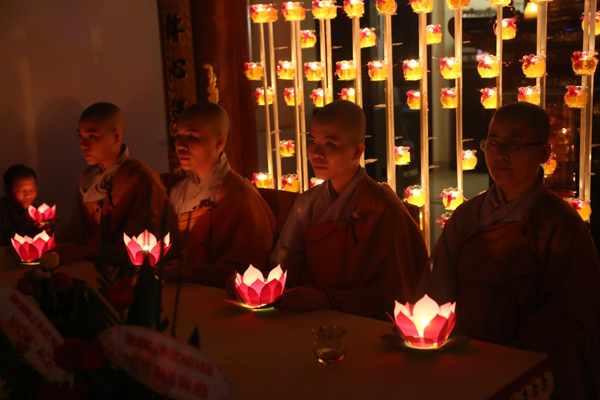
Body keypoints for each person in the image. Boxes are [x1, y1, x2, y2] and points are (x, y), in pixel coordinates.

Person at [429, 102, 600, 398]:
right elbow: (437, 287)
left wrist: (508, 355)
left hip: (528, 367)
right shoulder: (467, 215)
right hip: (461, 357)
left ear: (544, 153)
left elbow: (568, 313)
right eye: (493, 143)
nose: (500, 154)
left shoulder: (561, 224)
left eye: (515, 144)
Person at [269, 100, 429, 321]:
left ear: (357, 151)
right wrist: (249, 284)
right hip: (308, 318)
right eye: (312, 141)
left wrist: (328, 300)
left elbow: (397, 293)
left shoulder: (383, 208)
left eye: (330, 144)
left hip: (366, 325)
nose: (316, 153)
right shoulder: (305, 204)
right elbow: (282, 271)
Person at [164, 102, 276, 288]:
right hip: (181, 288)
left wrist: (193, 274)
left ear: (219, 142)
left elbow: (248, 266)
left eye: (192, 137)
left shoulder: (240, 195)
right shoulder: (178, 191)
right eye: (178, 136)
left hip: (221, 291)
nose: (181, 146)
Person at [55, 102, 176, 264]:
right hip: (92, 265)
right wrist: (52, 242)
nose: (83, 144)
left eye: (92, 136)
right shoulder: (87, 178)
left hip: (130, 270)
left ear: (116, 136)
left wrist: (87, 251)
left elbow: (145, 246)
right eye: (80, 136)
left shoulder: (141, 179)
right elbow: (79, 230)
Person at [0, 165, 43, 246]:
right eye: (22, 190)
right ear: (7, 190)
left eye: (32, 189)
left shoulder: (39, 211)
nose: (28, 195)